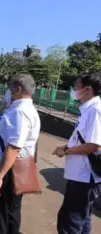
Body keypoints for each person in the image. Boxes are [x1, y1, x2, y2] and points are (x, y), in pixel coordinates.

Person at [0, 74, 40, 234]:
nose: (8, 91)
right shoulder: (27, 110)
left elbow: (14, 147)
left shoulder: (20, 112)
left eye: (10, 87)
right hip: (16, 168)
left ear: (18, 89)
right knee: (11, 212)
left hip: (6, 169)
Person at [53, 73, 101, 234]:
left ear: (87, 90)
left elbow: (94, 145)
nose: (73, 90)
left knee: (69, 223)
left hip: (85, 178)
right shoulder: (88, 110)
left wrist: (66, 151)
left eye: (76, 87)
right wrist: (66, 147)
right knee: (82, 218)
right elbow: (83, 140)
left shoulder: (95, 111)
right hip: (81, 177)